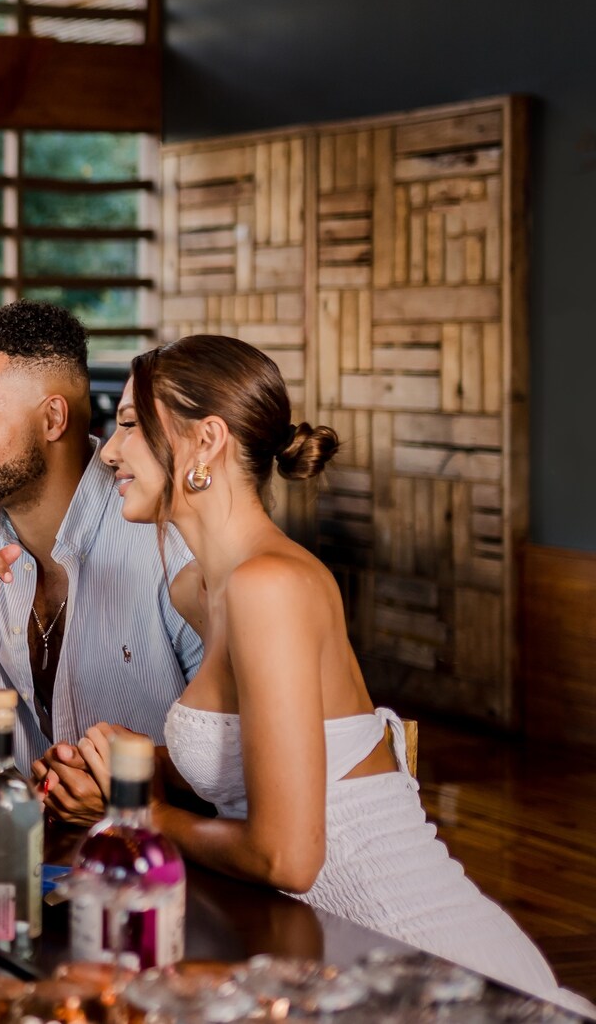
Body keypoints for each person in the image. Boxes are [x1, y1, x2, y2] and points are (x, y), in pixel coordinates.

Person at [72, 333, 565, 999]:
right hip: (318, 951)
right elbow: (259, 750)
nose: (109, 450)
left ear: (206, 440)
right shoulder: (199, 590)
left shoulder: (267, 586)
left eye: (130, 424)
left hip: (417, 950)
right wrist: (129, 767)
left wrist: (149, 815)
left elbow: (289, 856)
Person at [0, 301, 202, 810]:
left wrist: (127, 784)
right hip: (19, 843)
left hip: (164, 854)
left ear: (53, 418)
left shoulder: (170, 534)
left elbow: (239, 746)